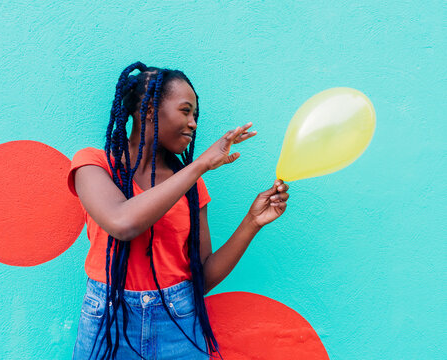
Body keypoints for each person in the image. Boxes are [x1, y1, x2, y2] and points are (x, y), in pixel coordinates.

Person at [67, 62, 289, 360]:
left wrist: (252, 222)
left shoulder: (191, 186)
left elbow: (203, 275)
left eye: (195, 115)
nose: (193, 123)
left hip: (179, 321)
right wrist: (199, 166)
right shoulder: (94, 164)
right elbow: (122, 223)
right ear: (146, 110)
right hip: (109, 322)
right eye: (185, 111)